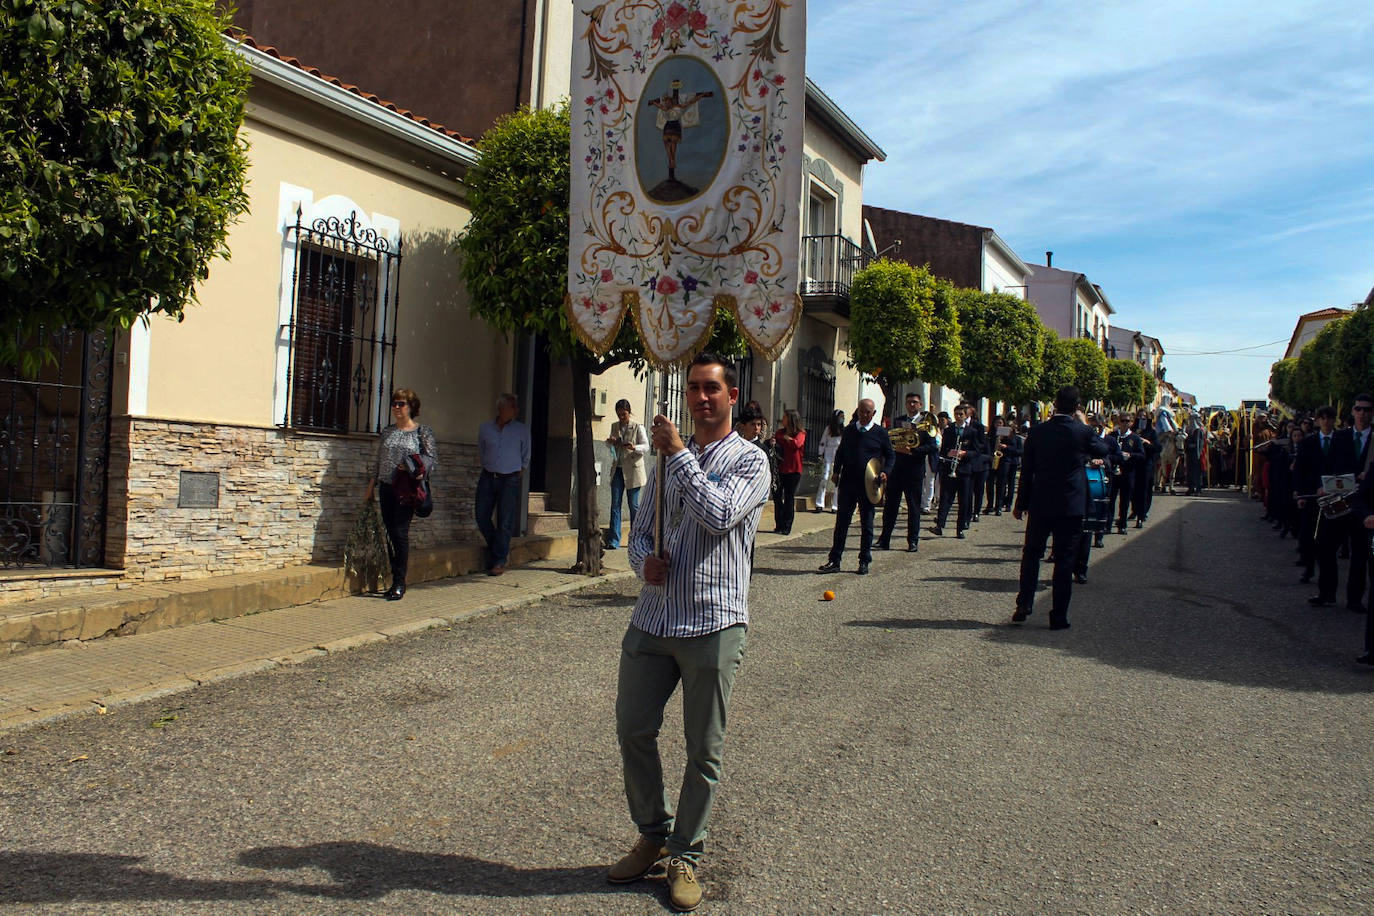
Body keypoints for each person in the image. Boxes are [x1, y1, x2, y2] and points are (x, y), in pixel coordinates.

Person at [609, 352, 768, 912]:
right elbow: (640, 529)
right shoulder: (668, 459)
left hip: (714, 621)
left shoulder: (752, 462)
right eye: (695, 388)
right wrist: (641, 563)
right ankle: (653, 832)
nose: (701, 398)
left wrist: (678, 454)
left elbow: (720, 514)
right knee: (633, 727)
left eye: (712, 389)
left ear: (730, 396)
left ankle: (686, 854)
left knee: (703, 748)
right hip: (653, 618)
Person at [1012, 386, 1111, 629]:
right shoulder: (1083, 431)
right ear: (1077, 407)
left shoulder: (1038, 432)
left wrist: (1020, 503)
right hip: (1071, 504)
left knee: (1032, 554)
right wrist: (1083, 422)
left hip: (1041, 501)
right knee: (1065, 560)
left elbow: (1027, 471)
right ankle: (1058, 616)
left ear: (1055, 404)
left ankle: (1024, 603)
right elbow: (1104, 450)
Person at [364, 388, 437, 600]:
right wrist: (371, 484)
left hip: (407, 488)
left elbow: (432, 461)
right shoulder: (387, 432)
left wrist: (411, 466)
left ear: (411, 407)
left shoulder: (422, 432)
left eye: (401, 404)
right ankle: (394, 579)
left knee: (399, 531)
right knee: (389, 531)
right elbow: (378, 460)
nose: (396, 408)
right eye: (394, 403)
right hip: (387, 486)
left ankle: (399, 581)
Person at [1304, 396, 1373, 610]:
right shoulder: (1340, 437)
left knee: (1360, 553)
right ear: (1352, 412)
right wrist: (1322, 485)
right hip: (1339, 501)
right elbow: (1328, 465)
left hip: (1365, 503)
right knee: (1325, 547)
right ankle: (1327, 593)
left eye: (1367, 410)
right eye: (1358, 409)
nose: (1362, 413)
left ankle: (1354, 599)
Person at [818, 398, 894, 575]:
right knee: (842, 523)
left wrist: (886, 472)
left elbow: (890, 456)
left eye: (868, 412)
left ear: (873, 413)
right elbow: (841, 452)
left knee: (867, 523)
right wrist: (836, 471)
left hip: (869, 484)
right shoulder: (850, 430)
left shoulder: (880, 433)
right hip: (848, 482)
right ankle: (834, 560)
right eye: (861, 411)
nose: (864, 415)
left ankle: (864, 560)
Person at [476, 393, 530, 577]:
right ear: (501, 408)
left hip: (509, 479)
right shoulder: (485, 428)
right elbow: (482, 451)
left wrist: (519, 471)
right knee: (481, 516)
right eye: (512, 406)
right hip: (489, 476)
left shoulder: (521, 430)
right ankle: (496, 549)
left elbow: (526, 454)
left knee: (505, 522)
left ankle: (499, 560)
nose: (516, 410)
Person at [878, 392, 937, 552]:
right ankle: (884, 539)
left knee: (913, 507)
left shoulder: (927, 424)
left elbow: (932, 446)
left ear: (920, 405)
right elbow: (891, 441)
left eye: (915, 402)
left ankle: (913, 541)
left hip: (914, 472)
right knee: (890, 506)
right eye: (909, 402)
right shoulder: (899, 421)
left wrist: (913, 450)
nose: (912, 405)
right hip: (897, 470)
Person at [932, 404, 988, 539]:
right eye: (956, 414)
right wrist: (948, 453)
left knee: (964, 500)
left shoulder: (972, 432)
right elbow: (944, 448)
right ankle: (940, 525)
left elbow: (977, 451)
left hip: (965, 470)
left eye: (961, 414)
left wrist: (965, 453)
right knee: (945, 498)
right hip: (950, 468)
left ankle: (960, 528)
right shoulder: (949, 430)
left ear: (966, 416)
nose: (958, 417)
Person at [605, 399, 650, 550]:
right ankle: (614, 540)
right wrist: (611, 441)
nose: (621, 418)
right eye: (619, 415)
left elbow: (646, 446)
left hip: (633, 469)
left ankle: (636, 539)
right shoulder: (614, 426)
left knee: (634, 505)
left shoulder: (638, 427)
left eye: (623, 414)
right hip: (618, 468)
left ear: (628, 412)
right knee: (615, 505)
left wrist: (634, 447)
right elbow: (609, 445)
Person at [1106, 412, 1145, 534]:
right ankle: (1107, 525)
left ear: (1131, 423)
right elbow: (1105, 453)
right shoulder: (1112, 436)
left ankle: (1122, 524)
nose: (1125, 424)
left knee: (1124, 500)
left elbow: (1141, 455)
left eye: (1127, 421)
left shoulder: (1135, 438)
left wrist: (1130, 455)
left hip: (1127, 473)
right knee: (1110, 500)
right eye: (1122, 421)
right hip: (1113, 473)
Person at [771, 409, 806, 535]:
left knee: (789, 498)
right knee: (777, 497)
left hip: (793, 470)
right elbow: (776, 440)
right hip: (780, 469)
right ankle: (779, 523)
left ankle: (787, 525)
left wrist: (788, 439)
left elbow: (797, 444)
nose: (783, 419)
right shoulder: (780, 433)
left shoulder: (800, 433)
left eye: (785, 417)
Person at [814, 409, 845, 512]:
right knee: (825, 478)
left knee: (838, 481)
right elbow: (823, 442)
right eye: (840, 417)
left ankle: (835, 505)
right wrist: (820, 453)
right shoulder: (828, 429)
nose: (842, 419)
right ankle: (819, 503)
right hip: (828, 454)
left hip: (839, 455)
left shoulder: (844, 430)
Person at [994, 419, 1024, 514]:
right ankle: (998, 505)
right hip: (1003, 462)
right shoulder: (1003, 436)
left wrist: (1007, 447)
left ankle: (1008, 504)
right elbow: (996, 444)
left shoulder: (1017, 438)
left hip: (1013, 462)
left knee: (1011, 484)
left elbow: (1020, 452)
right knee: (1001, 483)